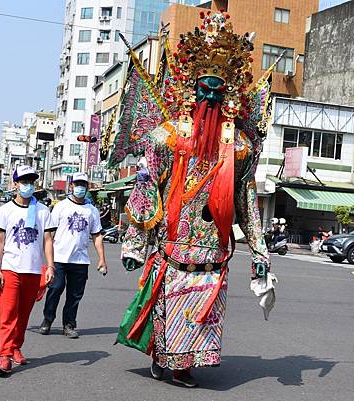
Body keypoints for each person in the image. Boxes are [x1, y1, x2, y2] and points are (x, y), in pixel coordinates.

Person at [116, 11, 276, 388]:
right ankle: (164, 357)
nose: (209, 96)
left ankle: (185, 363)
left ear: (228, 94)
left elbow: (246, 199)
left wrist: (259, 252)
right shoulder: (167, 137)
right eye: (203, 88)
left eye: (216, 91)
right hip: (172, 243)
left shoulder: (239, 146)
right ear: (191, 87)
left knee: (202, 311)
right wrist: (135, 243)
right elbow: (146, 184)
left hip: (213, 247)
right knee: (169, 306)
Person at [0, 166, 56, 376]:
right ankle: (5, 356)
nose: (28, 185)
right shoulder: (5, 210)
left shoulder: (43, 210)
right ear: (15, 184)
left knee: (24, 315)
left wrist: (51, 266)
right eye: (24, 181)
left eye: (31, 181)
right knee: (8, 314)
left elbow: (47, 240)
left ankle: (16, 346)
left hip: (33, 270)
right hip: (10, 268)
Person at [38, 172, 107, 339]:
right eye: (77, 184)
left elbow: (96, 235)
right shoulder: (61, 206)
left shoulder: (92, 211)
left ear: (87, 187)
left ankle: (69, 325)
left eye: (83, 185)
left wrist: (102, 259)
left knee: (75, 295)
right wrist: (46, 259)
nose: (80, 188)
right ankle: (47, 319)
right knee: (55, 289)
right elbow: (50, 233)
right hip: (59, 258)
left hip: (80, 260)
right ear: (71, 186)